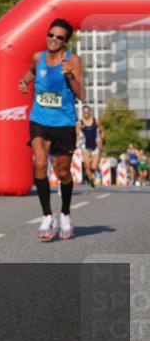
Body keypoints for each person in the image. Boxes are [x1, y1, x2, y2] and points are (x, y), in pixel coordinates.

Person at [19, 18, 85, 241]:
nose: (54, 39)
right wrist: (24, 81)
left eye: (59, 37)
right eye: (51, 35)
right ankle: (47, 215)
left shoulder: (72, 60)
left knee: (62, 172)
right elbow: (31, 72)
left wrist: (70, 75)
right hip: (39, 120)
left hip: (64, 123)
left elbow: (81, 94)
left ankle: (65, 214)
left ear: (65, 41)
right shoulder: (38, 58)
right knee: (39, 163)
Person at [76, 105, 104, 187]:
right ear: (82, 112)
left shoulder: (96, 121)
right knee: (87, 166)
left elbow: (102, 131)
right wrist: (78, 137)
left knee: (94, 167)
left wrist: (102, 139)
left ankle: (90, 174)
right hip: (85, 146)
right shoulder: (79, 123)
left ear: (90, 112)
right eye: (84, 112)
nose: (86, 113)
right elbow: (76, 133)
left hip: (95, 146)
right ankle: (91, 181)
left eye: (87, 111)